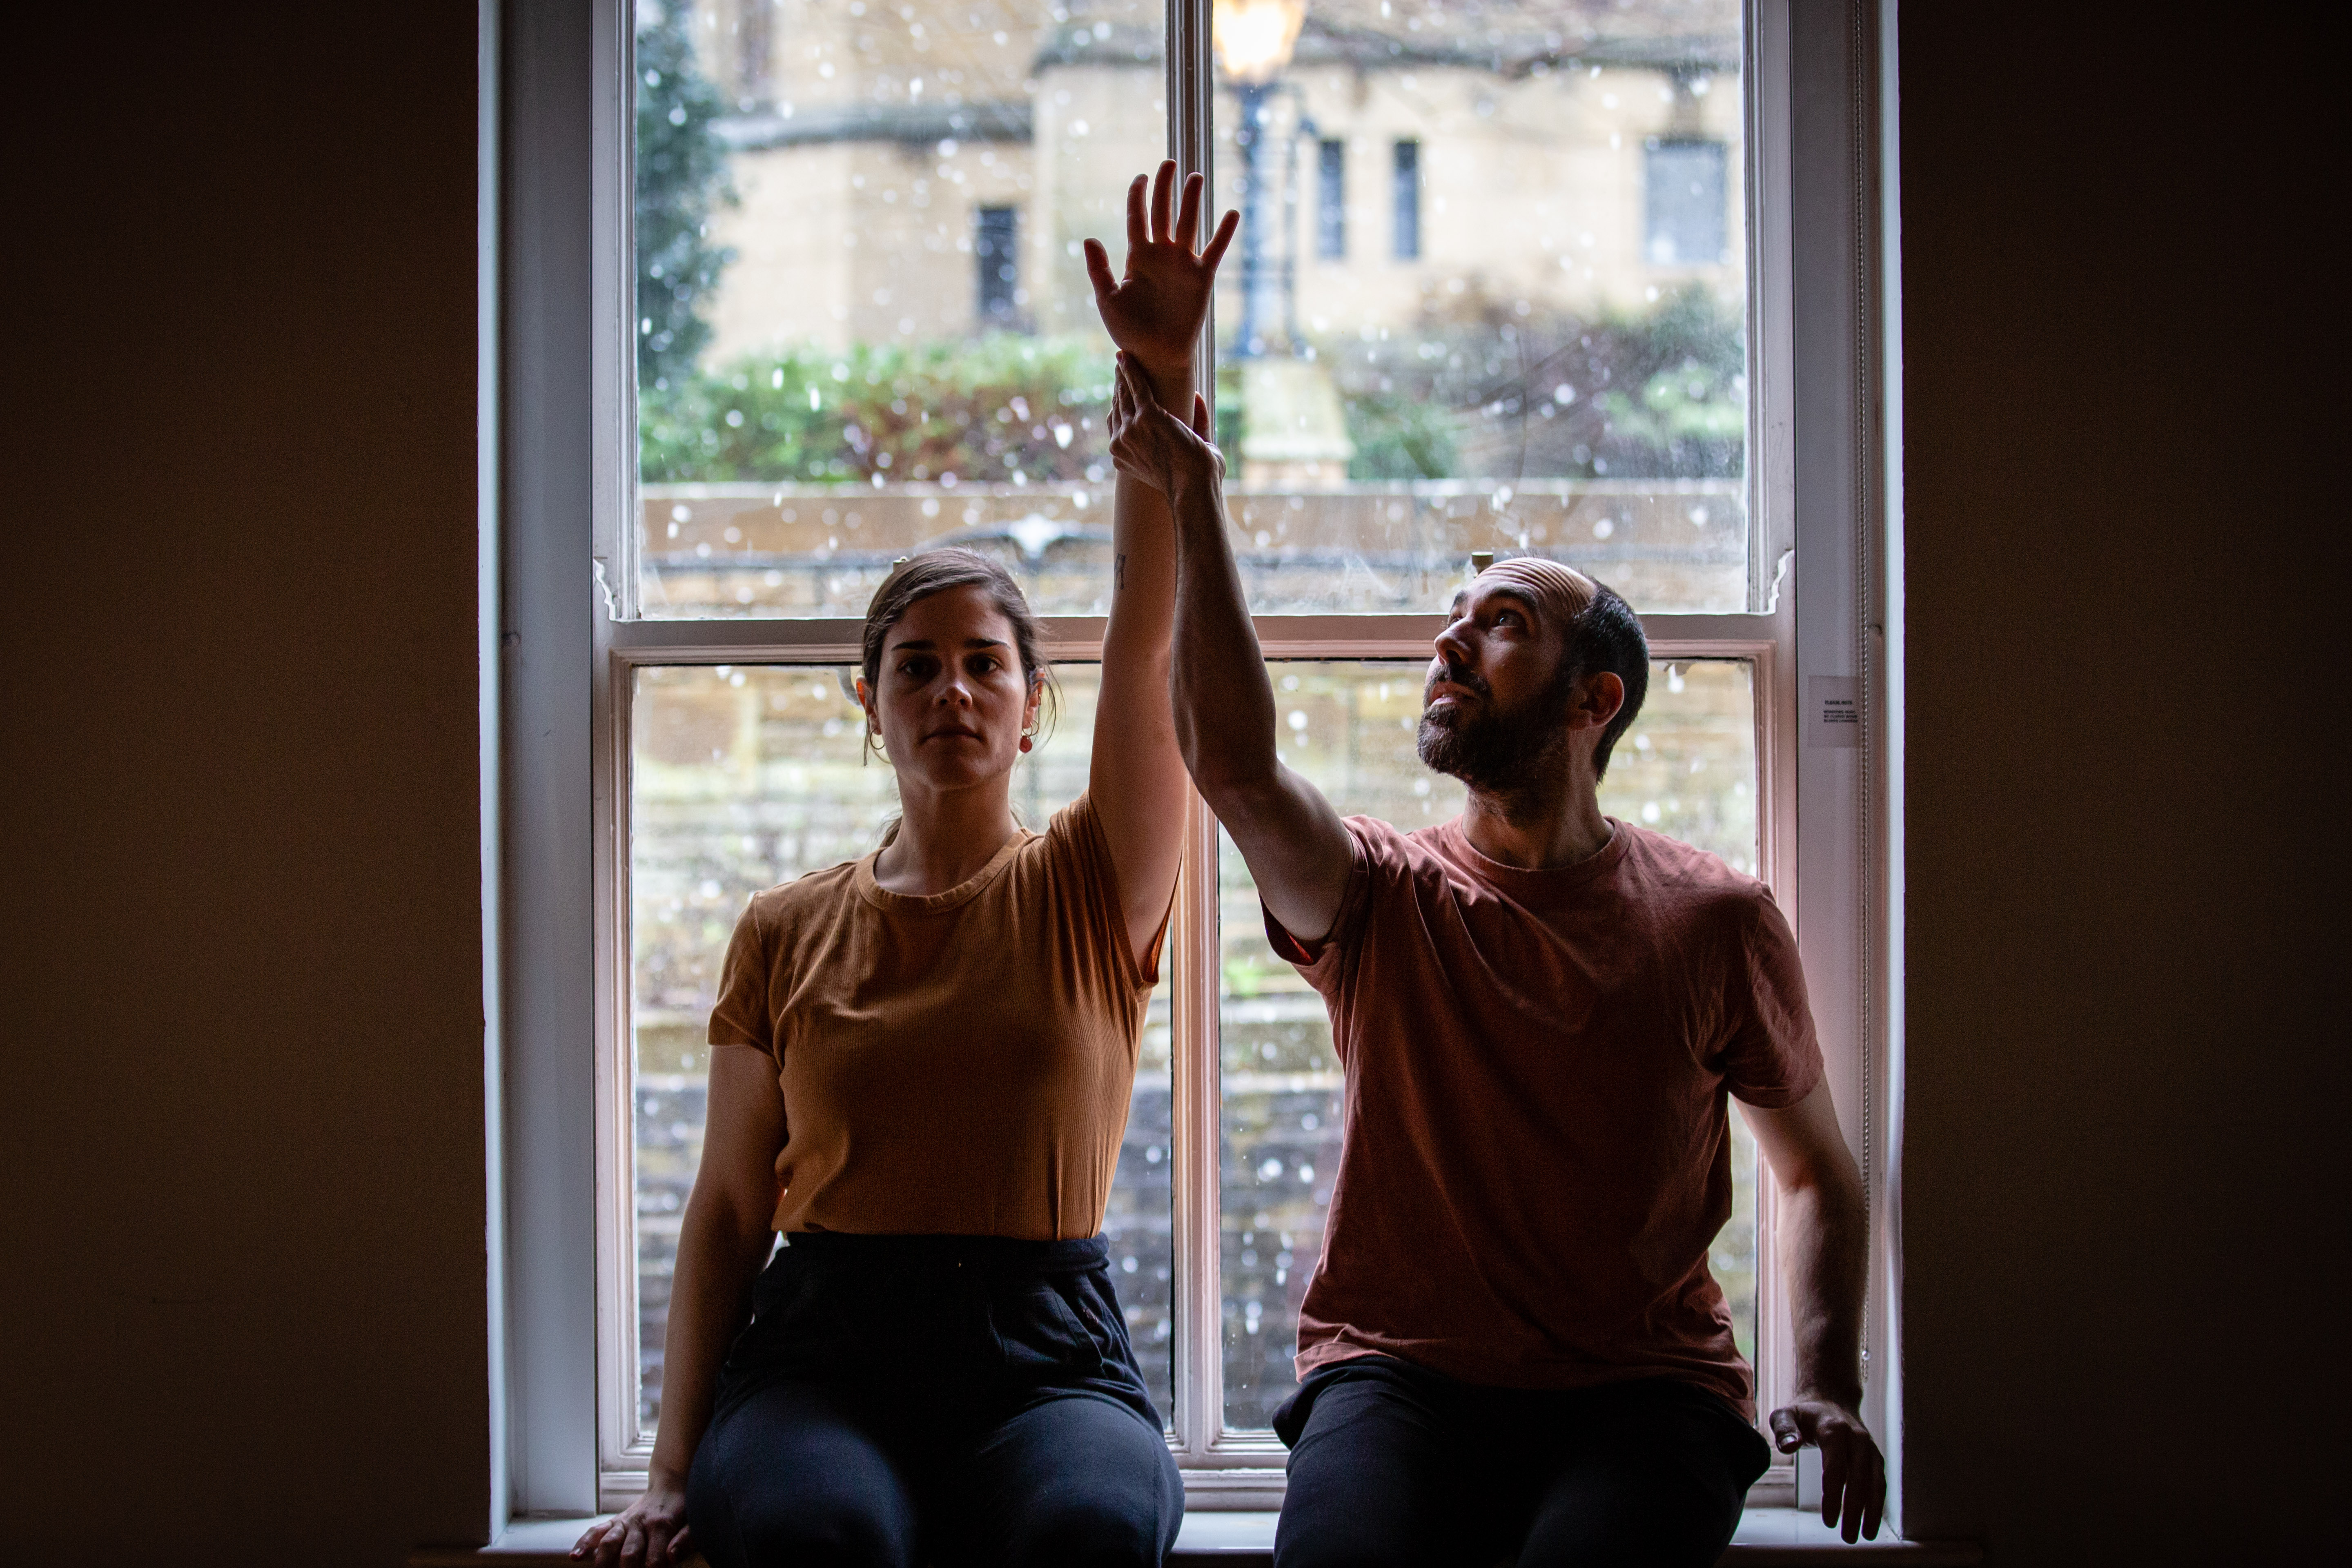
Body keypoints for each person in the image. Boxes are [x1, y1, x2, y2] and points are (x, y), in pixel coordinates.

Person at [1107, 360, 1888, 1565]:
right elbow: (1236, 769)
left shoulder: (1715, 919)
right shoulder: (1380, 895)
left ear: (1596, 702)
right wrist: (1194, 491)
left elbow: (1818, 1173)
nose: (1451, 642)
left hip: (1646, 1399)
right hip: (1397, 1381)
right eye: (1454, 623)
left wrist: (1830, 1383)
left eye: (1503, 626)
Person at [573, 163, 1236, 1568]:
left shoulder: (1092, 881)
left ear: (1030, 703)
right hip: (824, 1355)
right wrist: (671, 1472)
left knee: (1093, 1528)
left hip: (1044, 1352)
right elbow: (732, 1208)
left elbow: (1147, 639)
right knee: (825, 1537)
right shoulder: (783, 928)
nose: (952, 691)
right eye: (916, 666)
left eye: (984, 664)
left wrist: (1162, 386)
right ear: (867, 700)